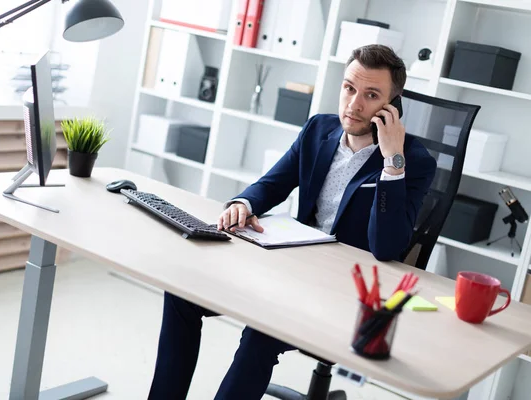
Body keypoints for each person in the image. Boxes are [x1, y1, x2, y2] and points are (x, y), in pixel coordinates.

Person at [147, 44, 437, 400]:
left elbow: (387, 247)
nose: (354, 104)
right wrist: (243, 202)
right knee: (182, 292)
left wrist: (393, 160)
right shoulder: (319, 129)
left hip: (344, 288)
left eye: (371, 95)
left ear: (391, 107)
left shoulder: (414, 161)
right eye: (349, 88)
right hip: (290, 265)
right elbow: (272, 184)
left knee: (261, 331)